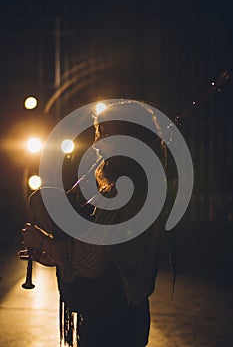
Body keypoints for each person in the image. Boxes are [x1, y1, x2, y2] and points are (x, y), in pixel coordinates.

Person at [21, 106, 164, 347]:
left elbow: (89, 263)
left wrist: (45, 243)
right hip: (130, 315)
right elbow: (103, 253)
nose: (96, 145)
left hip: (113, 322)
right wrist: (56, 256)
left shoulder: (122, 193)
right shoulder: (142, 188)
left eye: (103, 134)